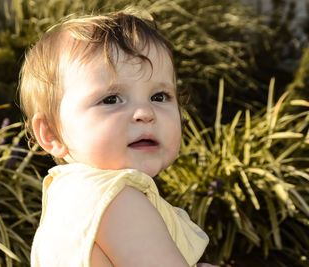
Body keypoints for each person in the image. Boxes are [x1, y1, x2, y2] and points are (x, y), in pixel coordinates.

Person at [19, 9, 214, 267]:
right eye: (111, 99)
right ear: (51, 133)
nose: (145, 113)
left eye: (159, 97)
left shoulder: (70, 197)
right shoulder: (115, 198)